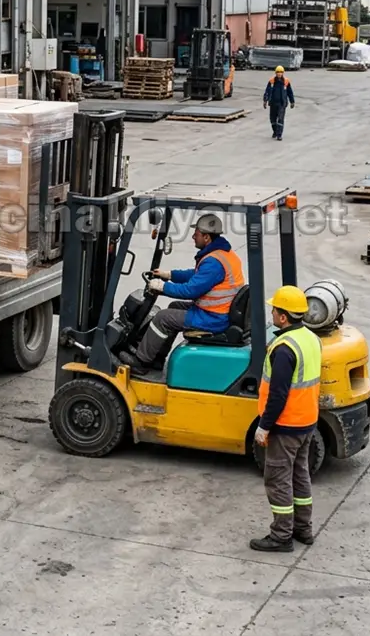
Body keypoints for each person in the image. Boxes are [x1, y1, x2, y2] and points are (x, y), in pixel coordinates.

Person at [121, 213, 245, 371]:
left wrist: (162, 287)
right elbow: (195, 275)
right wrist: (169, 275)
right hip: (216, 312)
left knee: (162, 318)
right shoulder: (222, 255)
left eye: (197, 234)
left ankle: (141, 361)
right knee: (174, 306)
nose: (193, 236)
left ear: (206, 237)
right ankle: (158, 357)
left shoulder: (214, 263)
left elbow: (191, 290)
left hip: (212, 318)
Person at [249, 285, 322, 553]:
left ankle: (281, 536)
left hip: (287, 425)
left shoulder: (284, 349)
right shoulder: (310, 338)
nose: (271, 313)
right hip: (307, 422)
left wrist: (264, 426)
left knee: (278, 478)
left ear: (283, 317)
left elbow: (278, 394)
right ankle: (304, 529)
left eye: (274, 309)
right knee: (300, 475)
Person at [263, 67, 296, 141]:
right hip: (273, 103)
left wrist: (292, 101)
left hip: (282, 103)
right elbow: (267, 91)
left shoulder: (286, 82)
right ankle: (275, 131)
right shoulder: (271, 81)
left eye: (281, 72)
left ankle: (279, 134)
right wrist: (265, 100)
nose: (279, 73)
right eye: (278, 72)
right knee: (273, 119)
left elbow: (290, 92)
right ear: (275, 73)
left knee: (280, 119)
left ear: (283, 73)